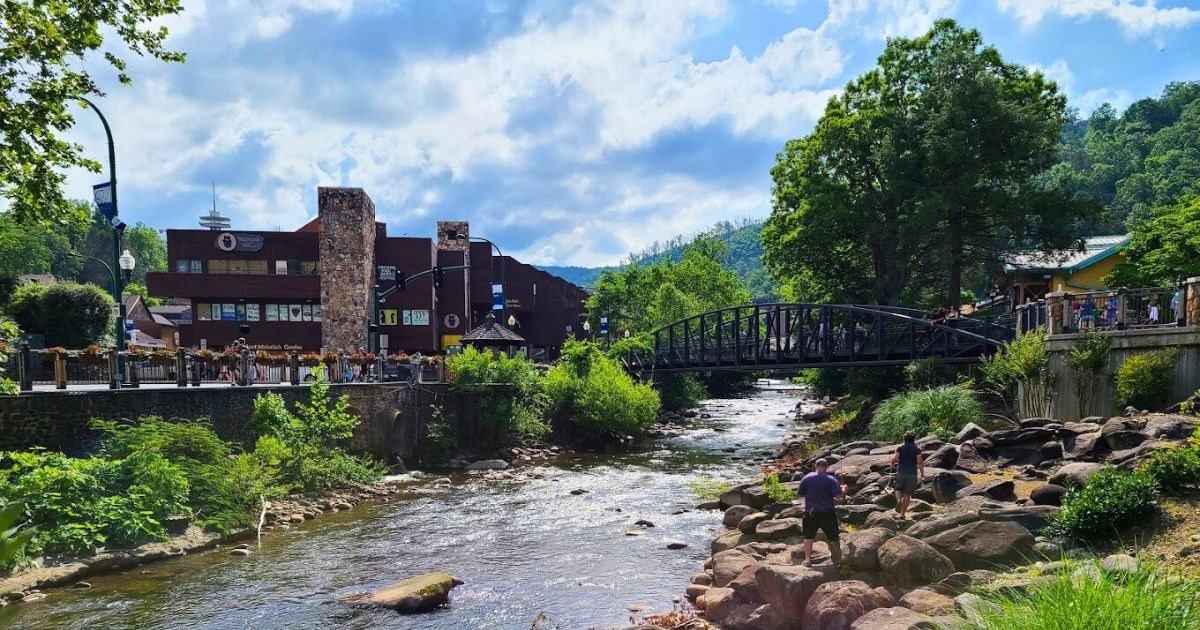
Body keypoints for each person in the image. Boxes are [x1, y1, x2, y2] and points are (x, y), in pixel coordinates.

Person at [799, 458, 847, 566]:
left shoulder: (806, 478)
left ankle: (807, 560)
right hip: (827, 513)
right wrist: (844, 490)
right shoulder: (831, 479)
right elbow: (839, 496)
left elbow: (801, 493)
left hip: (810, 512)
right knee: (834, 538)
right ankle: (837, 561)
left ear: (816, 466)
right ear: (826, 467)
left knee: (808, 537)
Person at [890, 432, 925, 519]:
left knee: (898, 489)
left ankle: (898, 500)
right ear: (913, 439)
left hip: (901, 472)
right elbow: (920, 462)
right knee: (907, 494)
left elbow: (895, 459)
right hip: (912, 474)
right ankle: (902, 514)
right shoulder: (917, 449)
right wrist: (922, 474)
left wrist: (893, 464)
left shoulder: (900, 448)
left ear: (904, 439)